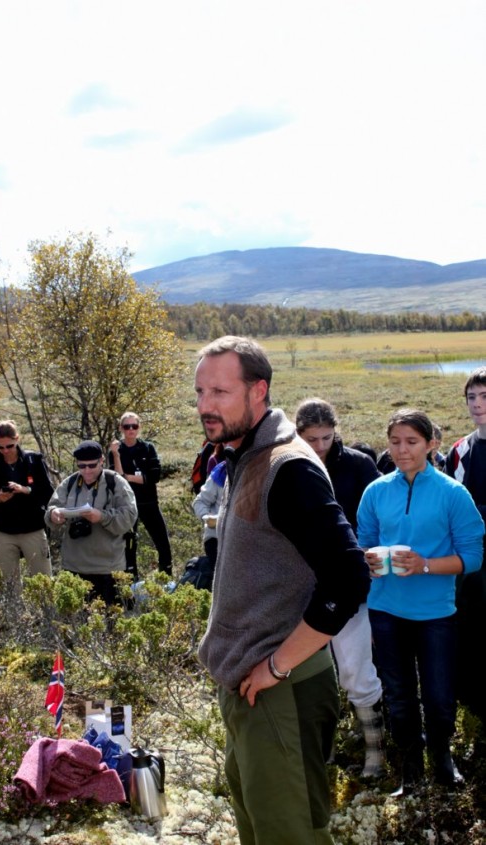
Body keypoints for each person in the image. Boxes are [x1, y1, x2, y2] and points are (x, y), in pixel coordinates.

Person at [194, 336, 370, 845]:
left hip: (280, 687)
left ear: (259, 391)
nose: (206, 405)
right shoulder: (245, 452)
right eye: (201, 391)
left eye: (220, 392)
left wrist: (276, 666)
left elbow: (348, 577)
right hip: (255, 686)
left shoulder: (287, 467)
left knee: (288, 833)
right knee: (262, 823)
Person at [357, 408, 484, 793]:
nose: (401, 450)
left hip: (435, 613)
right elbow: (363, 543)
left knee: (438, 692)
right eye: (395, 442)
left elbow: (473, 557)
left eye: (412, 442)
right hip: (385, 610)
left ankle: (443, 761)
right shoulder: (375, 491)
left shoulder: (453, 493)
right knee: (397, 693)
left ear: (432, 444)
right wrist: (367, 559)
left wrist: (425, 565)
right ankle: (410, 767)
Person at [295, 397, 384, 778]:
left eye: (325, 438)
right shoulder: (289, 465)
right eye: (310, 438)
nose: (318, 446)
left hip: (349, 583)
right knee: (312, 672)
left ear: (336, 432)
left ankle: (374, 752)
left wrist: (370, 552)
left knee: (354, 668)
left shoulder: (360, 466)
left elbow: (382, 515)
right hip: (301, 584)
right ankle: (324, 751)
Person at [46, 440, 137, 605]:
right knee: (75, 622)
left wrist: (102, 517)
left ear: (102, 461)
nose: (86, 470)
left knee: (111, 622)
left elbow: (129, 517)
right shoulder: (70, 483)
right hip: (73, 567)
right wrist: (54, 515)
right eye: (82, 466)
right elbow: (52, 508)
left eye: (92, 465)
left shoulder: (116, 483)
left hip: (108, 569)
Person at [445, 368, 486, 730]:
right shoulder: (459, 451)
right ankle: (473, 710)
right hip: (471, 565)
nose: (477, 405)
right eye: (471, 397)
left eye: (484, 397)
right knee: (470, 632)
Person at [0, 420, 54, 592]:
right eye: (0, 447)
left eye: (10, 446)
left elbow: (48, 494)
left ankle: (46, 618)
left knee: (43, 583)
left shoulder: (33, 460)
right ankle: (15, 618)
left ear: (18, 439)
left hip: (33, 530)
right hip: (4, 532)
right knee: (9, 586)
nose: (5, 451)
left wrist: (25, 490)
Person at [108, 412, 172, 577]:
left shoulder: (147, 448)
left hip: (148, 502)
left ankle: (166, 578)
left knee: (162, 542)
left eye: (134, 426)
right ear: (121, 428)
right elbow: (116, 479)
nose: (131, 430)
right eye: (127, 426)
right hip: (127, 504)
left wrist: (128, 477)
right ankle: (131, 581)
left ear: (139, 428)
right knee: (129, 544)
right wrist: (116, 455)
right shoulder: (116, 450)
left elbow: (154, 477)